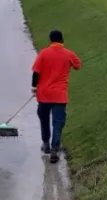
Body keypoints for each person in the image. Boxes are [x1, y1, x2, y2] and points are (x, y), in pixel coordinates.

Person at [30, 29, 82, 163]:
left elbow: (36, 72)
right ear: (62, 40)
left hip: (44, 94)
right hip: (59, 95)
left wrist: (34, 88)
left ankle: (46, 144)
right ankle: (55, 150)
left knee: (44, 119)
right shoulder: (69, 54)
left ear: (50, 40)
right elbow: (78, 65)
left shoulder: (43, 53)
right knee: (58, 123)